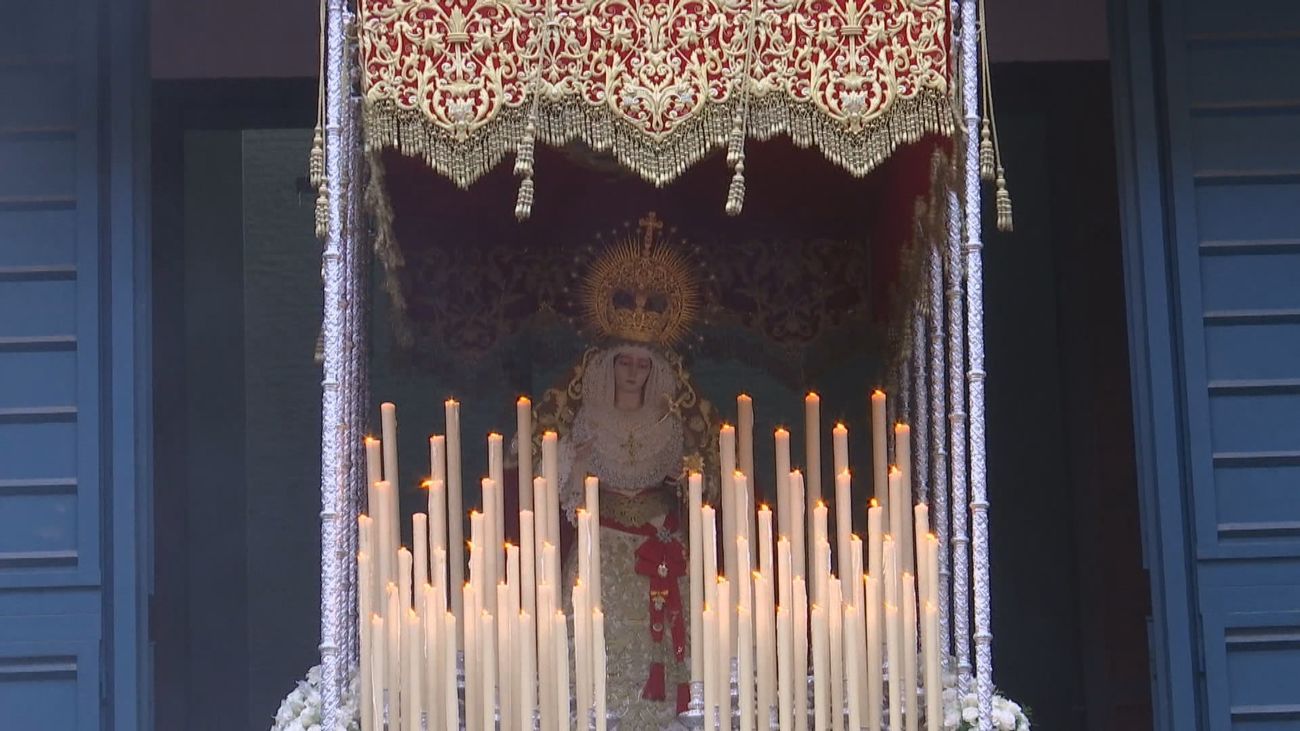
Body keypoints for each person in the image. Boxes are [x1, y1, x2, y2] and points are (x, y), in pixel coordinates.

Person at [531, 215, 719, 728]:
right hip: (604, 544)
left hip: (660, 543)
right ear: (608, 365)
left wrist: (689, 480)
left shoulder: (671, 424)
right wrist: (583, 466)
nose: (634, 372)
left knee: (666, 636)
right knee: (601, 639)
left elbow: (696, 482)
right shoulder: (589, 420)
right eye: (625, 363)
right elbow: (568, 497)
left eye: (642, 364)